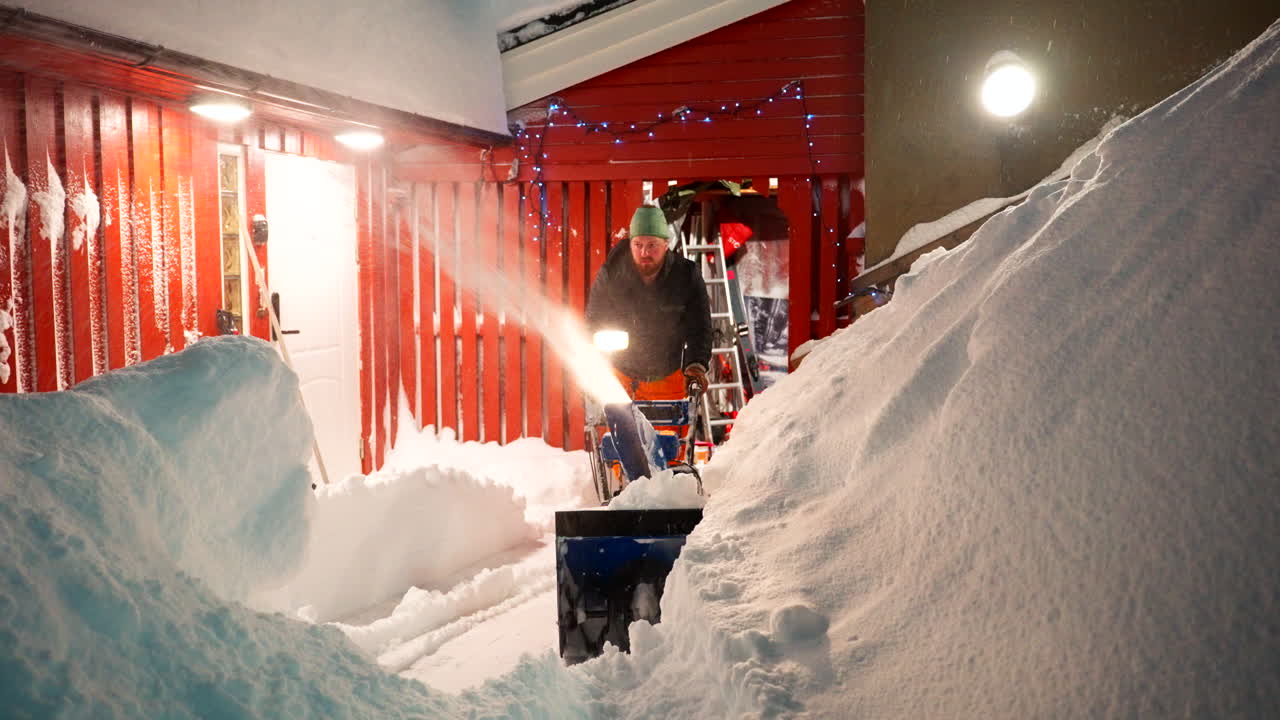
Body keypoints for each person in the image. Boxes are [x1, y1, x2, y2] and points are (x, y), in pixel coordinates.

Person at [586, 205, 713, 402]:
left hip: (668, 378)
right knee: (618, 433)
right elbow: (593, 322)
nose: (644, 252)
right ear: (630, 244)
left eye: (652, 245)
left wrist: (696, 365)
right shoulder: (611, 275)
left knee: (669, 434)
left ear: (666, 244)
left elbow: (700, 328)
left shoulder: (686, 275)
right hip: (620, 379)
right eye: (638, 245)